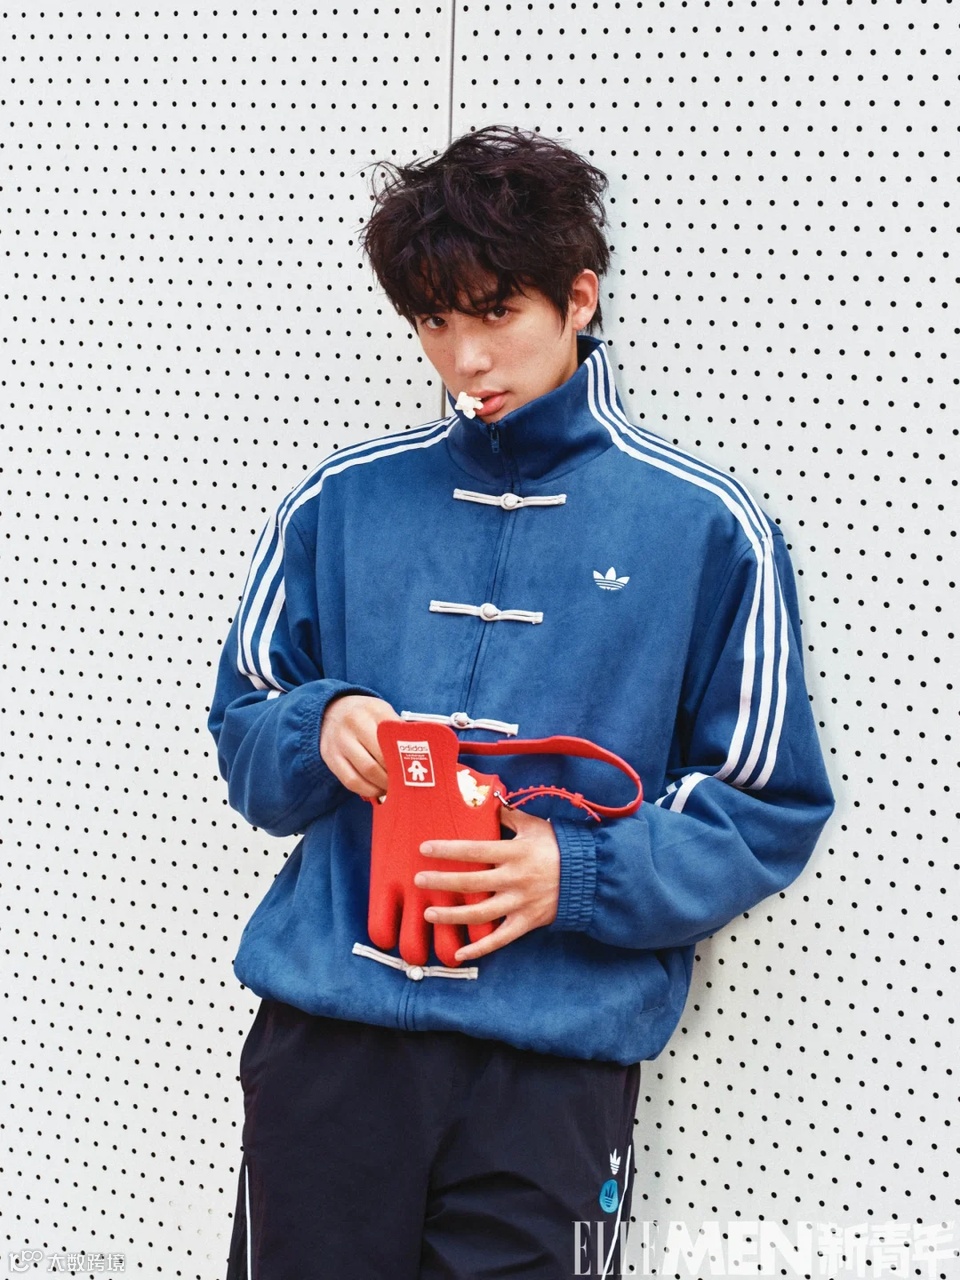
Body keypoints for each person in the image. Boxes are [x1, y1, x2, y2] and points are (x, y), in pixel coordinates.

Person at [208, 126, 834, 1279]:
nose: (465, 358)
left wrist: (574, 871)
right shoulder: (337, 501)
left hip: (552, 1072)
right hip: (329, 1047)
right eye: (433, 322)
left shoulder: (704, 525)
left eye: (496, 313)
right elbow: (245, 720)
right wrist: (317, 723)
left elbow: (764, 804)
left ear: (579, 297)